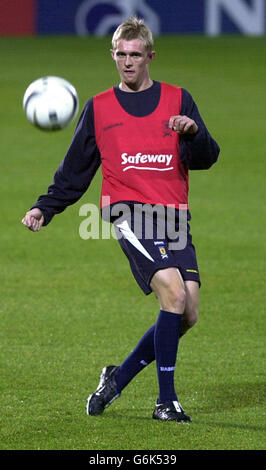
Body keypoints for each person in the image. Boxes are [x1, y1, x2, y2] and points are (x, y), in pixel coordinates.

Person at [22, 17, 220, 422]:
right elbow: (75, 170)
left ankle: (117, 378)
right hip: (128, 211)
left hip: (174, 215)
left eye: (135, 55)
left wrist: (193, 131)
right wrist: (45, 206)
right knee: (174, 293)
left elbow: (208, 157)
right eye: (121, 55)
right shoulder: (99, 108)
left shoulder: (178, 99)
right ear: (113, 55)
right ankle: (166, 402)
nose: (127, 62)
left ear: (150, 56)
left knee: (189, 313)